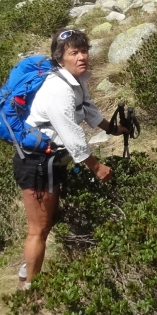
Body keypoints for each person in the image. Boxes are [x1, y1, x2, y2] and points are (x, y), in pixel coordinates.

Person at [15, 28, 115, 290]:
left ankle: (28, 271)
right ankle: (30, 289)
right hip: (37, 163)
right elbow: (71, 134)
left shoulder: (75, 81)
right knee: (38, 228)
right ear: (60, 58)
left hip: (51, 161)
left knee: (46, 222)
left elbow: (89, 109)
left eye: (84, 51)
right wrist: (96, 167)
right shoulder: (58, 88)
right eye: (74, 53)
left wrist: (113, 128)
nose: (82, 57)